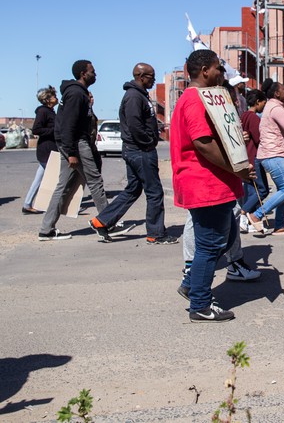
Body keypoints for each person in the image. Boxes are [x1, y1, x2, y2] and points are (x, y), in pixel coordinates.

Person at [170, 49, 253, 322]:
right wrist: (236, 169)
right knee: (209, 245)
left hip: (216, 184)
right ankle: (201, 305)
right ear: (205, 70)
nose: (222, 73)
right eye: (219, 68)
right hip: (205, 184)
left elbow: (213, 136)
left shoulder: (206, 97)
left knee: (225, 238)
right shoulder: (194, 99)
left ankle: (193, 285)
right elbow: (202, 143)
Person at [89, 64, 176, 244]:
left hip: (137, 150)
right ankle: (156, 234)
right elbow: (135, 126)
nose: (153, 79)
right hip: (140, 151)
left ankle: (102, 221)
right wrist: (148, 143)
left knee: (133, 189)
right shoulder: (134, 97)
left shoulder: (139, 95)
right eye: (151, 76)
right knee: (154, 192)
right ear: (141, 76)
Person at [39, 60, 112, 241]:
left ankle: (46, 229)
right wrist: (71, 152)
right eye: (92, 71)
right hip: (76, 143)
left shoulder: (78, 93)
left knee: (62, 186)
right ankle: (108, 221)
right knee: (95, 180)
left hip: (71, 143)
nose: (95, 74)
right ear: (82, 73)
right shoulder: (75, 94)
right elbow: (68, 125)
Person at [248, 78, 284, 234]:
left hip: (271, 154)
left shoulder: (271, 107)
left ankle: (279, 224)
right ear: (277, 93)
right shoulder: (276, 108)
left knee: (282, 190)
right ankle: (257, 215)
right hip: (274, 154)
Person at [22, 86, 58, 214]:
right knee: (57, 178)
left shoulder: (50, 111)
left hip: (50, 149)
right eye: (54, 96)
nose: (56, 97)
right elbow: (36, 129)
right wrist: (54, 131)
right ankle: (56, 205)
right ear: (47, 99)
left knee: (39, 178)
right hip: (47, 149)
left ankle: (27, 204)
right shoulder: (43, 111)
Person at [239, 89, 269, 232]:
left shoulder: (243, 115)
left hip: (245, 158)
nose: (264, 106)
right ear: (258, 102)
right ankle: (243, 212)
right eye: (264, 102)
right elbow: (259, 139)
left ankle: (247, 222)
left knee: (251, 191)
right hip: (254, 157)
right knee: (262, 190)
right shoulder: (254, 118)